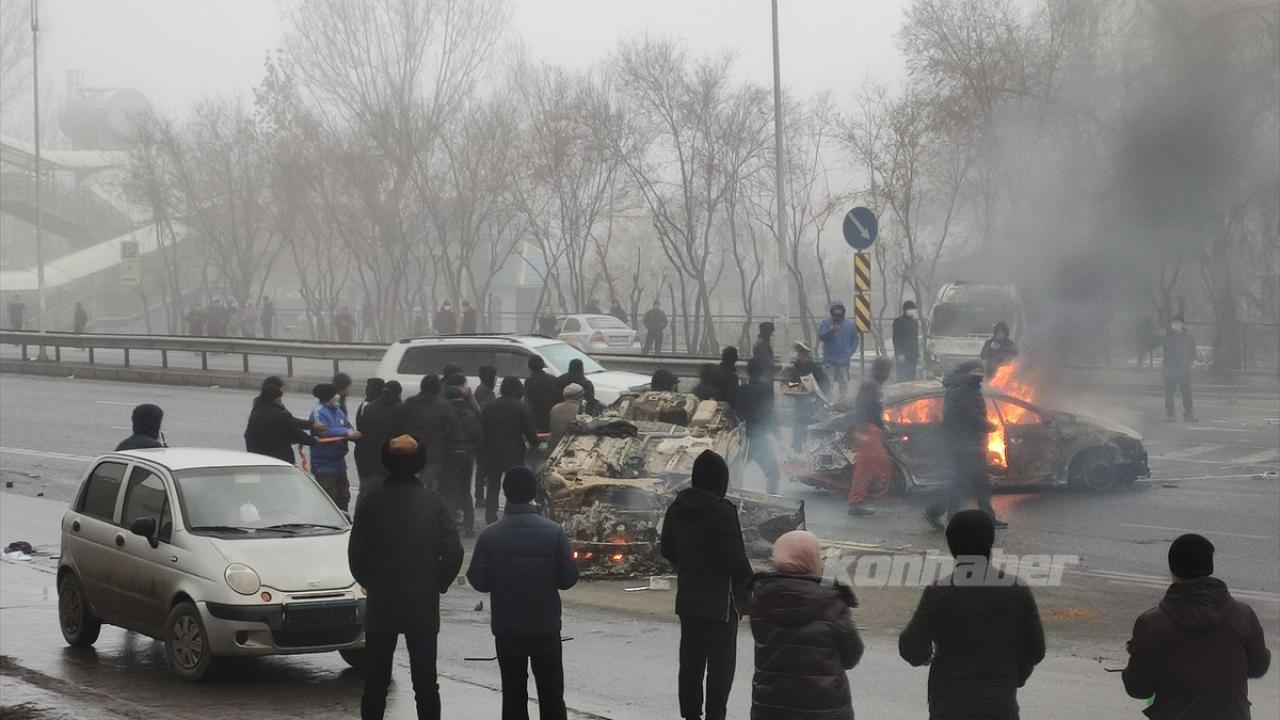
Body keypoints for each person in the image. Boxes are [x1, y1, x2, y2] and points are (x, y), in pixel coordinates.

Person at [349, 435, 464, 720]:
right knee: (425, 682)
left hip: (381, 602)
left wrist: (372, 582)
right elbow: (454, 552)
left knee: (376, 681)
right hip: (422, 603)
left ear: (386, 462)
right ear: (420, 463)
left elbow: (356, 555)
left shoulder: (371, 503)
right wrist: (438, 583)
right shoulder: (434, 502)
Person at [899, 510, 1045, 719]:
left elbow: (910, 646)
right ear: (990, 542)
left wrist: (926, 656)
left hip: (949, 707)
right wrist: (1013, 677)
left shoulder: (939, 593)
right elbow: (1035, 649)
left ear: (952, 546)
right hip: (999, 707)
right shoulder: (1017, 590)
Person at [466, 466, 579, 720]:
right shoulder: (554, 532)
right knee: (551, 692)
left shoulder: (490, 534)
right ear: (533, 493)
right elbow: (568, 579)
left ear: (506, 493)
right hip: (545, 627)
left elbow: (479, 580)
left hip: (508, 629)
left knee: (513, 693)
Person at [1122, 533, 1271, 718]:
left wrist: (1135, 657)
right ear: (1210, 566)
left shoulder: (1152, 624)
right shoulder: (1243, 615)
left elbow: (1138, 689)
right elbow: (1258, 667)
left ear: (1172, 568)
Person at [659, 450, 752, 720]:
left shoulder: (677, 507)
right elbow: (736, 558)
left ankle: (690, 715)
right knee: (720, 668)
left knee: (690, 663)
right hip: (720, 603)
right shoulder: (722, 511)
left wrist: (689, 566)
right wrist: (751, 584)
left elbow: (666, 549)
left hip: (688, 598)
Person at [747, 530, 863, 720]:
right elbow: (852, 655)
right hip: (824, 709)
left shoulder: (761, 597)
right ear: (813, 560)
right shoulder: (831, 599)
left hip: (771, 706)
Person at [924, 361, 1005, 530]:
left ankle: (983, 517)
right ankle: (938, 512)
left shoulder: (966, 389)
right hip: (964, 445)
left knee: (974, 482)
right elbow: (971, 416)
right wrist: (989, 425)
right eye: (976, 374)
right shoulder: (962, 392)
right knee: (965, 483)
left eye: (980, 374)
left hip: (970, 444)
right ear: (966, 374)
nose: (979, 378)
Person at [480, 377, 540, 525]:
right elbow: (528, 430)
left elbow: (482, 429)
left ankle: (490, 516)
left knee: (493, 484)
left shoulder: (489, 406)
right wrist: (534, 443)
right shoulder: (521, 407)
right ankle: (510, 514)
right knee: (514, 484)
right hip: (514, 452)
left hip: (492, 451)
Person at [847, 357, 894, 516]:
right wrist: (864, 430)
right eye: (887, 371)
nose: (888, 375)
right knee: (866, 466)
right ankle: (856, 501)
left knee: (874, 463)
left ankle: (863, 496)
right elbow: (866, 409)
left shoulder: (872, 385)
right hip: (867, 429)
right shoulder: (871, 386)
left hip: (869, 428)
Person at [732, 357, 780, 494]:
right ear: (762, 372)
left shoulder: (741, 390)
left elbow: (734, 414)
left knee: (735, 475)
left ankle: (734, 499)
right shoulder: (765, 391)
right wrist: (777, 434)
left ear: (748, 372)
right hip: (760, 440)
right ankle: (771, 500)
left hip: (742, 440)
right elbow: (769, 416)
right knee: (773, 473)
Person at [310, 383, 360, 512]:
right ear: (329, 396)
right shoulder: (318, 412)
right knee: (329, 500)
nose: (338, 396)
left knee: (344, 497)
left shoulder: (338, 411)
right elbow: (323, 431)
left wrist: (353, 433)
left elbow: (348, 426)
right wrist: (345, 432)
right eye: (335, 394)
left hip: (339, 463)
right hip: (324, 464)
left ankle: (345, 521)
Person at [353, 381, 403, 511]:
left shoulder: (369, 408)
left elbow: (361, 431)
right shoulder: (400, 410)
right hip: (389, 460)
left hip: (367, 458)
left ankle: (360, 517)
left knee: (365, 492)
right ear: (398, 393)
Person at [401, 375, 456, 492]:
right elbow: (451, 429)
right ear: (438, 388)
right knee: (431, 484)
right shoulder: (444, 405)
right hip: (434, 452)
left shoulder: (409, 403)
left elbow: (400, 425)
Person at [245, 383, 317, 464]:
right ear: (277, 398)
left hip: (258, 457)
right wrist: (313, 440)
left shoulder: (255, 413)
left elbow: (248, 435)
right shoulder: (281, 414)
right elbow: (295, 433)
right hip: (280, 458)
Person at [445, 383, 482, 538]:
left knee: (450, 490)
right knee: (465, 490)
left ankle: (451, 525)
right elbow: (477, 435)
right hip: (467, 453)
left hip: (450, 453)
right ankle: (469, 526)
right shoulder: (470, 412)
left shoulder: (445, 412)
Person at [786, 342, 829, 454]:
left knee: (810, 425)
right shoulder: (796, 368)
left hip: (813, 402)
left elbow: (825, 384)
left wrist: (817, 394)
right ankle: (797, 448)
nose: (799, 356)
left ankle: (810, 450)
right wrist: (796, 386)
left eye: (802, 353)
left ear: (806, 354)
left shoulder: (815, 368)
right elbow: (791, 384)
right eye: (799, 353)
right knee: (798, 424)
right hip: (800, 402)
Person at [817, 301, 858, 399]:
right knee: (828, 383)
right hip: (829, 360)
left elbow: (855, 339)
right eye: (835, 310)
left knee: (843, 383)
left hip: (844, 361)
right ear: (831, 311)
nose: (838, 312)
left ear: (843, 311)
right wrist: (831, 330)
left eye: (839, 310)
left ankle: (842, 401)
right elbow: (821, 336)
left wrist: (849, 352)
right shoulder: (826, 323)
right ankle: (828, 402)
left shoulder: (850, 325)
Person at [1162, 314, 1197, 422]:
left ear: (1182, 324)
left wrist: (1188, 362)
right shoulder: (1167, 337)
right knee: (1169, 392)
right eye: (1173, 323)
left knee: (1186, 391)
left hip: (1183, 368)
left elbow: (1193, 352)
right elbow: (1166, 352)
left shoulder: (1188, 338)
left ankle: (1188, 413)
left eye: (1178, 323)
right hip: (1170, 368)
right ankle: (1170, 414)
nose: (1175, 325)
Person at [524, 355, 559, 433]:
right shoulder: (552, 379)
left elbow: (528, 401)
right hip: (551, 415)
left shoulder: (529, 381)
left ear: (529, 366)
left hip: (536, 418)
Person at [548, 384, 584, 451]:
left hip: (552, 448)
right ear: (581, 397)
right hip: (567, 449)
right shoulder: (579, 411)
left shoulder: (555, 408)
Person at [892, 301, 920, 382]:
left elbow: (915, 339)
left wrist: (917, 354)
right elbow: (896, 339)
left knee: (911, 378)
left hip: (912, 355)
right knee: (902, 377)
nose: (913, 311)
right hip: (903, 355)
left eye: (914, 309)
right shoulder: (898, 321)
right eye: (911, 309)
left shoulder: (915, 322)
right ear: (905, 310)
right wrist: (899, 353)